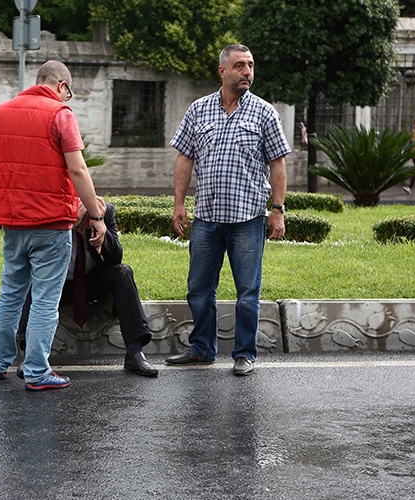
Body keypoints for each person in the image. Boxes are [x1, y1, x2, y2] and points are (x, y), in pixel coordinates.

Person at [0, 60, 106, 391]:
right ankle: (37, 371)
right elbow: (79, 170)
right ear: (61, 86)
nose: (67, 98)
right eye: (68, 92)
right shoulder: (60, 114)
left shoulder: (0, 112)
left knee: (10, 293)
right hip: (51, 224)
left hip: (15, 223)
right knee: (44, 299)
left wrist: (7, 188)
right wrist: (96, 216)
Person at [165, 44, 290, 376]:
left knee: (247, 292)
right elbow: (184, 157)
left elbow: (277, 163)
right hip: (206, 216)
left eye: (250, 65)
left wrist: (277, 209)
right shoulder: (199, 109)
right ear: (223, 71)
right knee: (198, 289)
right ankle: (202, 349)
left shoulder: (265, 113)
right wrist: (179, 204)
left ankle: (244, 353)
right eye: (239, 65)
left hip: (248, 219)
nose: (247, 71)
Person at [15, 196, 159, 378]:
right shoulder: (53, 213)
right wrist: (68, 227)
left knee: (123, 272)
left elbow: (116, 258)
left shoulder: (104, 212)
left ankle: (135, 352)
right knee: (31, 280)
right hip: (52, 284)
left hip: (89, 283)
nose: (85, 224)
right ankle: (29, 355)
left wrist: (101, 233)